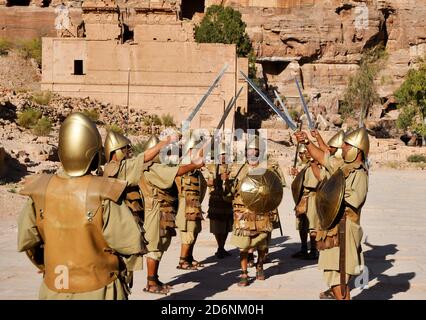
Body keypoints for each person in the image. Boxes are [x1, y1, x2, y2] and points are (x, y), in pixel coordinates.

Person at [17, 112, 143, 300]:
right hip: (100, 289)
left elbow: (29, 243)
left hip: (54, 288)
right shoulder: (103, 191)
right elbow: (130, 244)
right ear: (93, 152)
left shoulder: (40, 190)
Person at [295, 127, 369, 300]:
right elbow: (322, 157)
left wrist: (333, 191)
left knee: (338, 276)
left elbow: (354, 200)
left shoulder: (359, 173)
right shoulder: (342, 166)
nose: (342, 147)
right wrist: (307, 142)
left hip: (345, 227)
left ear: (357, 150)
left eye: (346, 145)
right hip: (333, 226)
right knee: (334, 274)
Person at [102, 130, 175, 288]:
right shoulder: (118, 169)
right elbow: (144, 157)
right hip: (119, 229)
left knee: (123, 277)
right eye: (125, 149)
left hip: (120, 227)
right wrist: (166, 141)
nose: (128, 152)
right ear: (115, 152)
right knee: (120, 276)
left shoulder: (113, 168)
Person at [139, 134, 204, 294]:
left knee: (160, 245)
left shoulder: (152, 167)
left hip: (162, 211)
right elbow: (179, 171)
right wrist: (194, 164)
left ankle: (154, 279)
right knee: (155, 247)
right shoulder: (152, 168)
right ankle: (151, 283)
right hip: (155, 212)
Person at [226, 135, 284, 286]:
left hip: (262, 211)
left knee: (262, 244)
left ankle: (259, 265)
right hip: (243, 211)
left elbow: (275, 187)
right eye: (249, 150)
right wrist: (226, 182)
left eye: (254, 150)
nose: (251, 153)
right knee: (243, 245)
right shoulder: (238, 169)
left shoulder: (267, 168)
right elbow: (230, 191)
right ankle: (244, 274)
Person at [175, 134, 207, 270]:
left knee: (194, 231)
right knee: (188, 232)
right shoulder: (183, 168)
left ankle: (189, 257)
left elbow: (202, 187)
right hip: (185, 206)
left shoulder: (195, 171)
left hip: (194, 206)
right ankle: (183, 261)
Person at [290, 144, 326, 260]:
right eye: (301, 153)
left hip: (313, 197)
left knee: (312, 225)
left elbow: (318, 181)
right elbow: (299, 183)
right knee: (302, 225)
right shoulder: (305, 167)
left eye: (305, 153)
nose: (303, 155)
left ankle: (314, 250)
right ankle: (303, 248)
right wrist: (297, 175)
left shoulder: (318, 166)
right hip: (302, 198)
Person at [203, 142, 233, 259]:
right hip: (215, 200)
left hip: (227, 199)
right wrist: (219, 179)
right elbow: (207, 182)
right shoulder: (211, 167)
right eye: (221, 154)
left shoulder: (232, 167)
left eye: (225, 154)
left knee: (226, 225)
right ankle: (219, 246)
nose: (223, 157)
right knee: (216, 226)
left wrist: (229, 179)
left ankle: (222, 246)